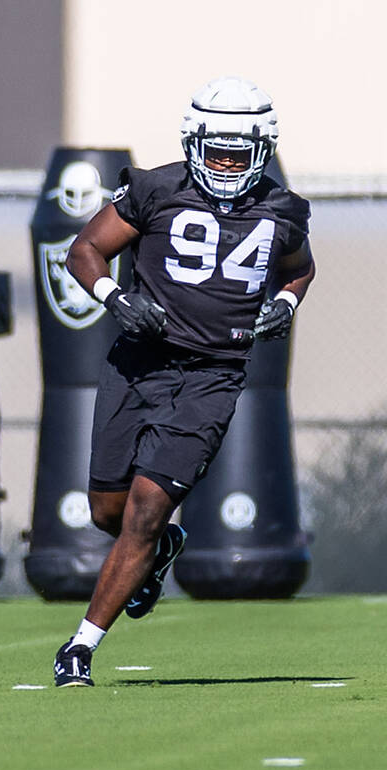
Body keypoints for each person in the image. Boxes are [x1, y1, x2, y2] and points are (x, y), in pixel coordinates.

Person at [52, 77, 315, 687]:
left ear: (262, 149)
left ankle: (80, 647)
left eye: (238, 152)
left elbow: (301, 268)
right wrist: (115, 297)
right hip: (138, 363)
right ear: (194, 142)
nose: (225, 163)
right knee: (107, 510)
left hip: (214, 375)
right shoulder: (153, 188)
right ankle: (160, 550)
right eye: (216, 149)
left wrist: (287, 301)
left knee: (147, 508)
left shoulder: (283, 209)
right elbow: (85, 249)